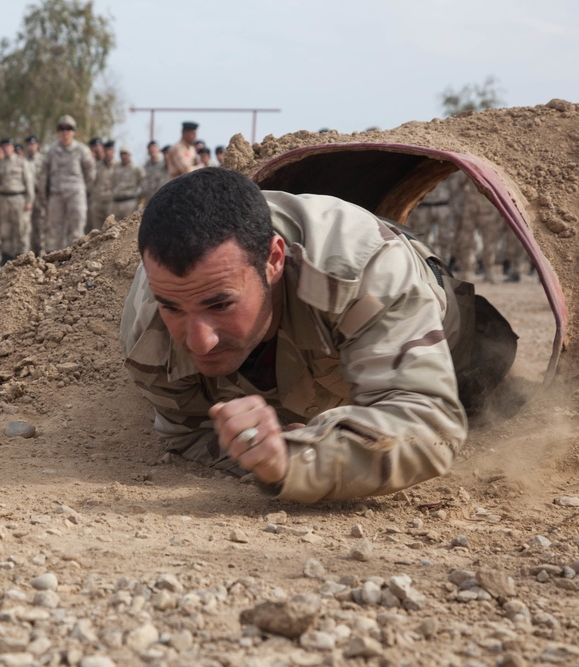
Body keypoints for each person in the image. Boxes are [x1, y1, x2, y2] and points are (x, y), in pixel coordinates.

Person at [120, 168, 517, 503]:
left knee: (482, 384)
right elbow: (187, 432)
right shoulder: (148, 327)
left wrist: (300, 459)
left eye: (220, 304)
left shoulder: (365, 271)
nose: (198, 341)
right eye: (174, 307)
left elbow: (429, 423)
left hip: (439, 318)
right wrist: (259, 450)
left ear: (274, 260)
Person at [38, 114, 96, 253]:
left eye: (69, 128)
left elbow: (91, 172)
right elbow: (43, 174)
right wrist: (44, 195)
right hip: (56, 195)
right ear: (58, 131)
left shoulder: (81, 150)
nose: (65, 132)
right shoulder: (51, 151)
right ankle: (52, 260)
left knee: (77, 228)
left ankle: (76, 259)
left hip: (76, 194)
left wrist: (81, 189)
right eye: (62, 128)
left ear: (74, 131)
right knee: (54, 230)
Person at [0, 137, 35, 265]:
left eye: (8, 146)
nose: (6, 149)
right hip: (3, 199)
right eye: (3, 147)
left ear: (12, 147)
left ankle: (22, 255)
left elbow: (29, 182)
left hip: (19, 198)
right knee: (5, 229)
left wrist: (29, 200)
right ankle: (6, 256)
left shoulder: (22, 162)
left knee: (21, 228)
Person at [88, 139, 116, 232]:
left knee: (112, 229)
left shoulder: (118, 166)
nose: (108, 153)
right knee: (97, 231)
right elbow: (90, 182)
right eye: (106, 150)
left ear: (113, 151)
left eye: (110, 150)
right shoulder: (96, 166)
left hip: (111, 202)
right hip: (97, 202)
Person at [110, 146, 144, 221]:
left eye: (125, 154)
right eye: (121, 154)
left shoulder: (136, 168)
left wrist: (141, 200)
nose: (123, 156)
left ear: (130, 155)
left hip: (130, 202)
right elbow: (111, 183)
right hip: (116, 202)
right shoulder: (115, 167)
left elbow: (143, 184)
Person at [25, 135, 45, 254]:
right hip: (27, 196)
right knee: (28, 225)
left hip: (40, 195)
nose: (31, 147)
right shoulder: (23, 161)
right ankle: (30, 252)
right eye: (28, 145)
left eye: (33, 144)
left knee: (41, 224)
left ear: (37, 145)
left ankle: (42, 252)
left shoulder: (43, 160)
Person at [142, 140, 168, 205]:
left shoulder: (164, 165)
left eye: (154, 147)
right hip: (149, 199)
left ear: (158, 150)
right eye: (150, 148)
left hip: (162, 198)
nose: (152, 150)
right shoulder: (145, 167)